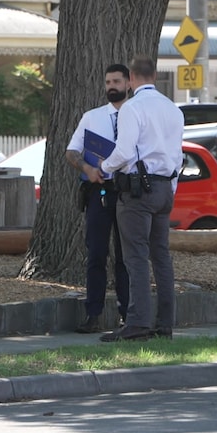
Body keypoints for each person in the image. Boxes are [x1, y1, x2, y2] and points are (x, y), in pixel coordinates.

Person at [98, 55, 184, 342]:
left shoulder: (131, 108)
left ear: (131, 79)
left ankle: (137, 323)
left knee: (135, 257)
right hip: (164, 188)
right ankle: (166, 323)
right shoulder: (173, 109)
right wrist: (170, 189)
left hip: (136, 190)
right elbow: (177, 156)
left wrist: (104, 167)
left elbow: (123, 152)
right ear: (155, 77)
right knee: (161, 257)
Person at [64, 63, 131, 333]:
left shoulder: (138, 115)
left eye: (116, 81)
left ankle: (129, 315)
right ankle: (93, 314)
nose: (111, 86)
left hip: (127, 193)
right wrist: (87, 168)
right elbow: (72, 151)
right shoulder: (92, 117)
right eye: (107, 82)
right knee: (96, 254)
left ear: (128, 84)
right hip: (98, 192)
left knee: (126, 257)